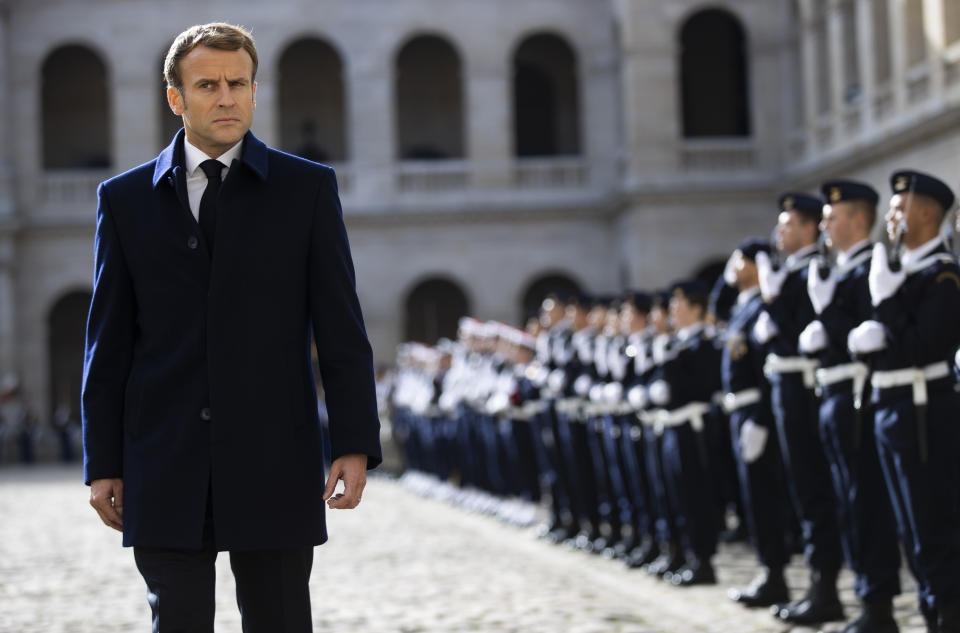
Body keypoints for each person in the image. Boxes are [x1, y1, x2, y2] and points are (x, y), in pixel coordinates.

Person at [81, 23, 382, 633]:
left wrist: (353, 441)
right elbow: (107, 344)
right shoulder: (125, 200)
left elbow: (342, 328)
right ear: (176, 97)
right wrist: (102, 460)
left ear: (253, 90)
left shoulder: (308, 191)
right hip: (164, 459)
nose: (226, 98)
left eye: (238, 83)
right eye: (208, 85)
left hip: (276, 457)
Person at [848, 170, 960, 633]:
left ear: (928, 213)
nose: (891, 216)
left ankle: (948, 616)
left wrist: (886, 308)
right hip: (890, 405)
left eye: (900, 207)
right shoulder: (900, 270)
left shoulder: (943, 275)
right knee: (908, 528)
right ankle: (931, 610)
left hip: (922, 409)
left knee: (933, 525)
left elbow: (921, 346)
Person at [800, 180, 902, 633]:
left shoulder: (870, 269)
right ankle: (863, 595)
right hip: (835, 394)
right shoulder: (841, 272)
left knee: (867, 502)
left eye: (832, 216)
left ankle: (877, 603)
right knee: (847, 500)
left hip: (859, 395)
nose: (824, 224)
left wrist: (828, 317)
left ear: (859, 220)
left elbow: (870, 338)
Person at [755, 194, 845, 625]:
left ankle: (825, 587)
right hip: (785, 387)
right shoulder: (789, 271)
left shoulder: (814, 270)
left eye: (788, 224)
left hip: (806, 390)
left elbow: (807, 336)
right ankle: (816, 583)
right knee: (800, 490)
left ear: (810, 229)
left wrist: (774, 304)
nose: (780, 233)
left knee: (815, 490)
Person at [721, 239, 793, 609]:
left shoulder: (761, 308)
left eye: (738, 258)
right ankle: (767, 569)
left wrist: (762, 419)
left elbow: (767, 370)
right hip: (740, 412)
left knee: (765, 497)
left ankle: (775, 574)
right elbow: (717, 299)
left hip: (756, 410)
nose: (731, 265)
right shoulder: (741, 308)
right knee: (752, 498)